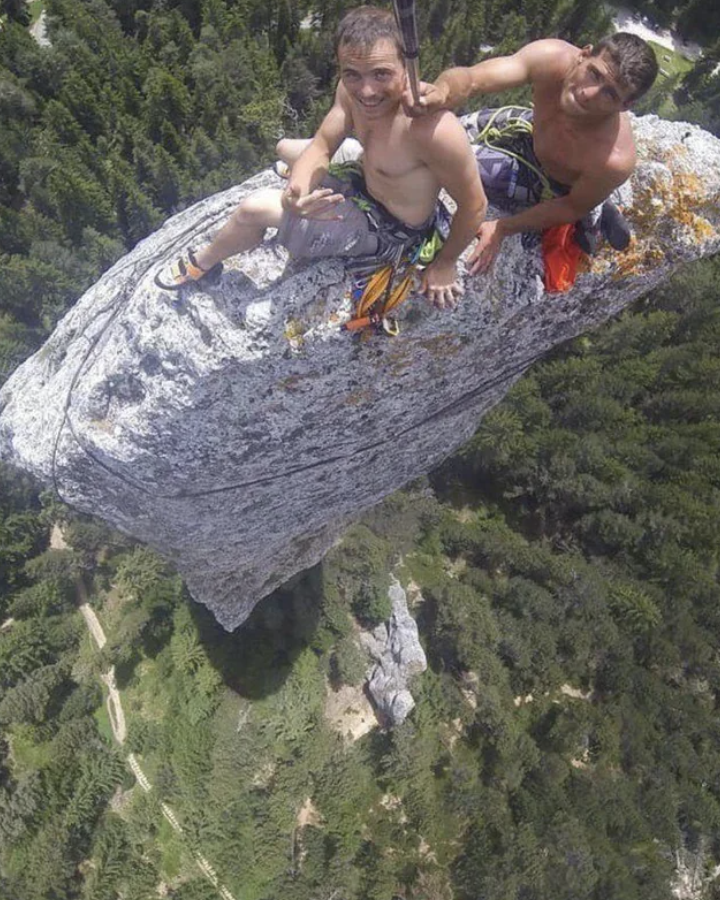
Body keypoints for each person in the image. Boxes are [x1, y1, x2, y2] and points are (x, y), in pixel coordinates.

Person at [156, 7, 487, 311]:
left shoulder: (433, 130)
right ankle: (297, 182)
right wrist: (297, 193)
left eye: (381, 74)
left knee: (252, 209)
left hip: (389, 229)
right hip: (368, 175)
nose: (366, 91)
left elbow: (473, 205)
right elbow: (323, 145)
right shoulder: (350, 92)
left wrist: (444, 264)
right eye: (353, 74)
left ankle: (203, 264)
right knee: (286, 146)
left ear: (406, 67)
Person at [402, 33, 658, 274]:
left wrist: (503, 227)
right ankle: (597, 200)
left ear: (625, 106)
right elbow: (473, 79)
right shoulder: (552, 58)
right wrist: (442, 92)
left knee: (443, 150)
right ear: (583, 54)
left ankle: (595, 205)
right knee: (446, 127)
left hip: (547, 179)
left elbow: (570, 206)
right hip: (530, 128)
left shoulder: (612, 159)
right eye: (594, 74)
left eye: (610, 94)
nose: (589, 94)